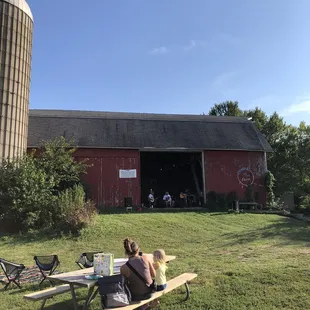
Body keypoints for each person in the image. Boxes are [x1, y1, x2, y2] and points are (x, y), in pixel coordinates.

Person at [120, 238, 156, 309]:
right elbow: (154, 275)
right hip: (150, 292)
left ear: (126, 252)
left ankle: (142, 307)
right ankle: (145, 306)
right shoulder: (145, 258)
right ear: (138, 249)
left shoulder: (124, 268)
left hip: (136, 296)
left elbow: (123, 284)